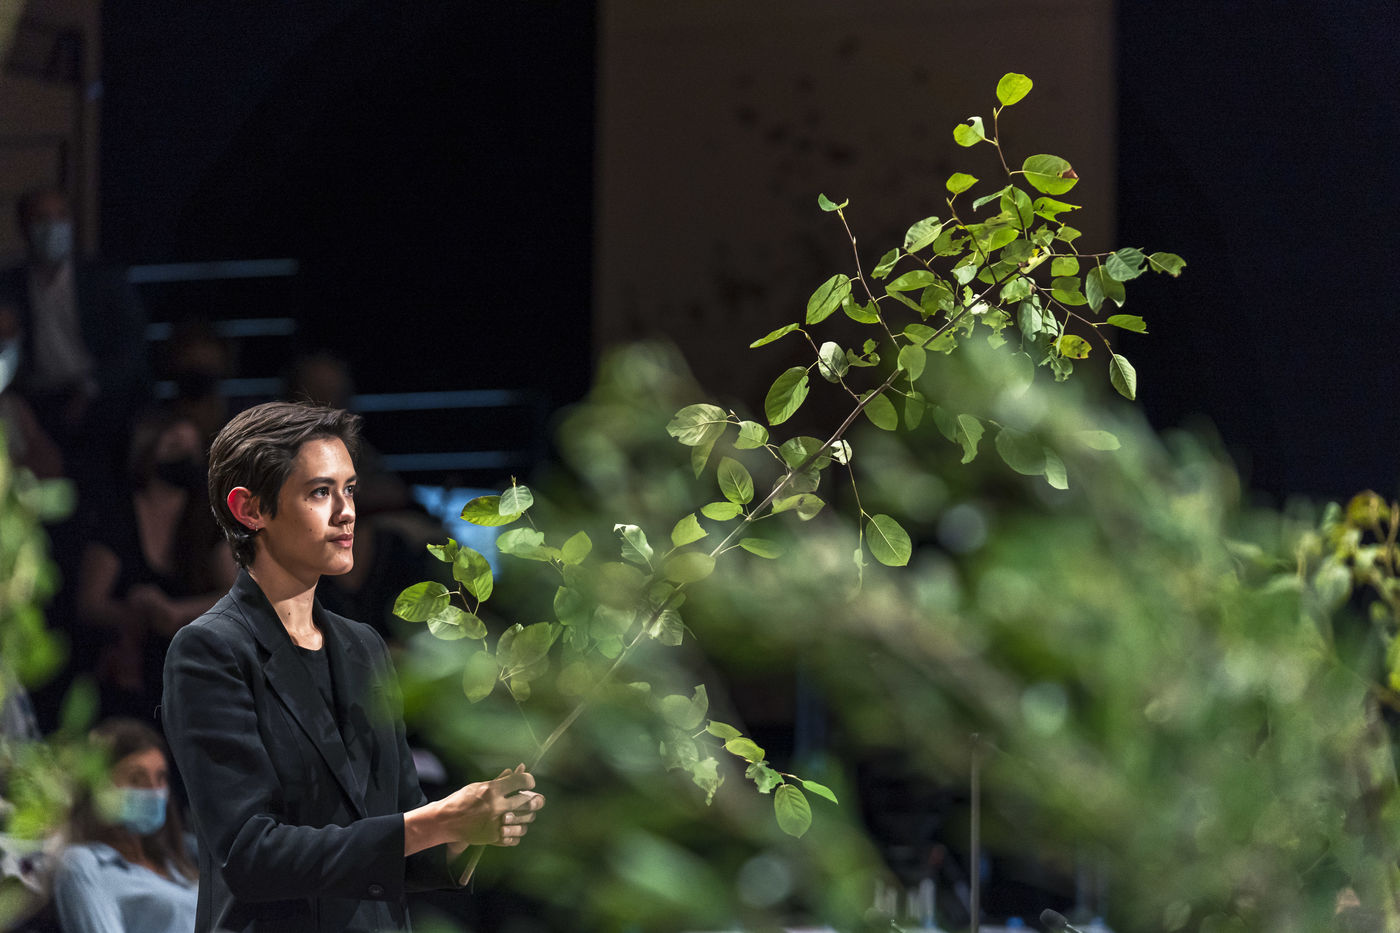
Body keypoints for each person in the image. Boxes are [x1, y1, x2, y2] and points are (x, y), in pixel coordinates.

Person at [161, 401, 544, 933]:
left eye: (350, 489)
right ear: (249, 509)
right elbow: (251, 855)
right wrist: (437, 819)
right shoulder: (210, 650)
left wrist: (465, 832)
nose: (347, 512)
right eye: (321, 492)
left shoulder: (364, 647)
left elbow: (398, 840)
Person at [76, 409, 236, 720]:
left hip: (195, 667)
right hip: (132, 665)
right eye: (175, 446)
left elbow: (238, 597)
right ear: (147, 452)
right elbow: (90, 604)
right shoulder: (119, 515)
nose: (187, 457)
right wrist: (139, 610)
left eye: (193, 449)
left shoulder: (208, 517)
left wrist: (176, 612)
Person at [52, 718, 198, 933]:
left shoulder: (181, 855)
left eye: (160, 778)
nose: (154, 791)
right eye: (136, 779)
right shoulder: (83, 865)